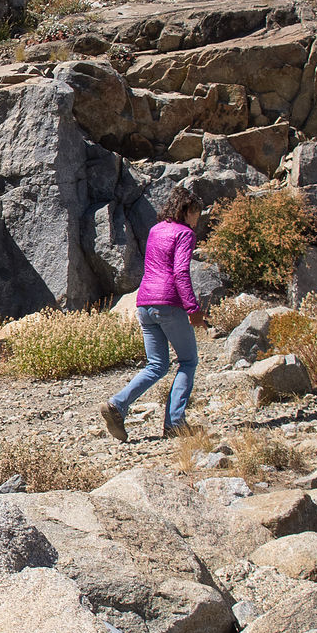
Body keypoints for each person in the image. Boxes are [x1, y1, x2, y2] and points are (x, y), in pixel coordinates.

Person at [100, 186, 209, 442]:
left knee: (157, 365)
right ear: (186, 211)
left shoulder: (155, 230)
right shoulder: (185, 233)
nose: (197, 219)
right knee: (188, 361)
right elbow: (180, 273)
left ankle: (117, 405)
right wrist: (193, 309)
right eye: (196, 213)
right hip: (169, 303)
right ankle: (175, 424)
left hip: (144, 303)